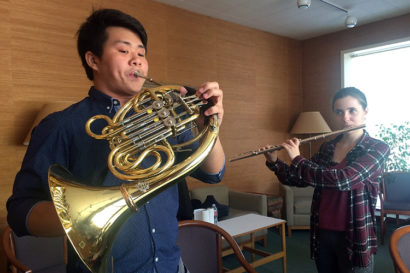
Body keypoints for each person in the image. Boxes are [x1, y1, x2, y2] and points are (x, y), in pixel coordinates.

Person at [7, 8, 225, 273]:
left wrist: (209, 123)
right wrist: (77, 219)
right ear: (93, 60)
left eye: (142, 53)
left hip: (171, 265)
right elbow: (20, 211)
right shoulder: (61, 126)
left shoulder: (166, 113)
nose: (137, 61)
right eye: (124, 51)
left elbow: (213, 173)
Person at [261, 87, 389, 273]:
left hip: (355, 233)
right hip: (323, 232)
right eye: (339, 112)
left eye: (352, 110)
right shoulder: (328, 147)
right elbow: (299, 179)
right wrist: (274, 162)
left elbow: (343, 180)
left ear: (365, 112)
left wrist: (298, 159)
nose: (345, 118)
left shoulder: (377, 149)